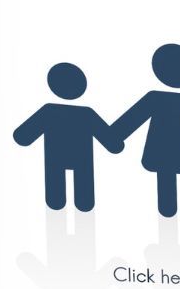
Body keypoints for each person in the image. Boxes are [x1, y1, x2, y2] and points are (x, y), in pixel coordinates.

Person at [110, 43, 180, 219]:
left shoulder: (157, 98)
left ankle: (174, 213)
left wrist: (113, 137)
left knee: (167, 186)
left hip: (165, 154)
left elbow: (131, 119)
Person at [11, 62, 123, 213]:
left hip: (56, 156)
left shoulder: (49, 111)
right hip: (81, 157)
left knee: (56, 196)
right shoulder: (86, 114)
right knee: (84, 198)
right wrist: (115, 142)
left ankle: (59, 203)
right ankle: (80, 204)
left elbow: (23, 136)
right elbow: (111, 142)